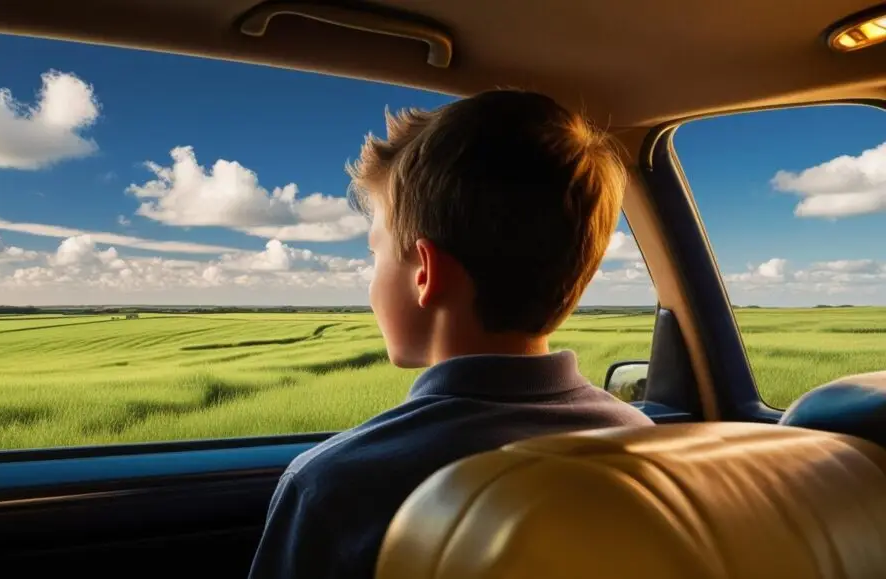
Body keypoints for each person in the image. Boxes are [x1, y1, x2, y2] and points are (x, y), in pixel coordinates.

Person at [246, 89, 655, 579]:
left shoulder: (335, 486)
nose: (371, 281)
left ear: (424, 273)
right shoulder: (640, 442)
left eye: (375, 253)